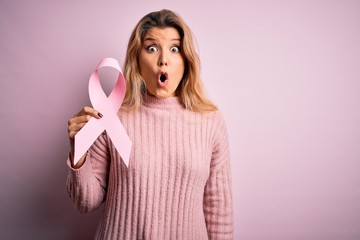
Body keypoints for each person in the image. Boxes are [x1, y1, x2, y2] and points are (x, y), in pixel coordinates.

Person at [67, 9, 233, 240]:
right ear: (137, 59)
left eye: (174, 49)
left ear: (186, 60)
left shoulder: (210, 121)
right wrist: (79, 152)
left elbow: (219, 209)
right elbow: (85, 202)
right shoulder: (112, 116)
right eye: (152, 48)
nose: (163, 59)